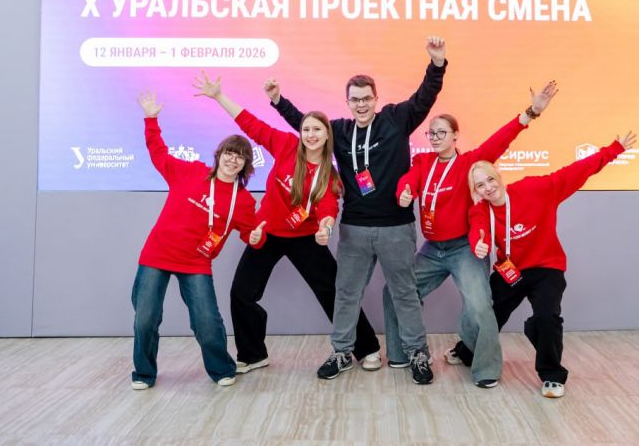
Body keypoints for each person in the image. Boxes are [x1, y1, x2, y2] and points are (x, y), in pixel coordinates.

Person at [267, 37, 447, 384]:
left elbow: (425, 96)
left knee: (405, 293)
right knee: (346, 294)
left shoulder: (396, 118)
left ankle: (417, 354)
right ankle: (341, 352)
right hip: (354, 228)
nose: (361, 104)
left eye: (367, 98)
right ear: (347, 102)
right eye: (355, 99)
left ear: (376, 99)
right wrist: (278, 101)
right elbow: (305, 124)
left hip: (395, 227)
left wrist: (437, 64)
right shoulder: (339, 130)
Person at [193, 73, 382, 375]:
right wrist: (219, 97)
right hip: (268, 232)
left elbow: (328, 206)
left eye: (317, 129)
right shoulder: (285, 145)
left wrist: (326, 227)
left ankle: (367, 347)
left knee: (333, 292)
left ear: (327, 135)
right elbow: (252, 125)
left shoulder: (329, 173)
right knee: (242, 293)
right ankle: (253, 355)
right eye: (306, 129)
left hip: (305, 237)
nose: (310, 134)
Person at [383, 81, 558, 388]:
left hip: (464, 248)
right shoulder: (423, 161)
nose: (435, 138)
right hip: (432, 249)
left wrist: (531, 113)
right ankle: (401, 353)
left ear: (455, 136)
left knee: (479, 305)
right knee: (394, 290)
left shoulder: (469, 164)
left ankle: (486, 368)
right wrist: (405, 191)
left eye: (441, 132)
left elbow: (500, 141)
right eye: (431, 133)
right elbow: (409, 179)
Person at [454, 131, 637, 398]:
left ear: (499, 176)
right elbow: (478, 229)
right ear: (476, 192)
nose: (488, 188)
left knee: (547, 317)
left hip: (546, 267)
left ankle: (552, 375)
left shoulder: (534, 189)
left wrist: (613, 150)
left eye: (490, 180)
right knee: (486, 310)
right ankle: (467, 350)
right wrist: (478, 243)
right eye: (480, 186)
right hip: (511, 270)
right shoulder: (481, 209)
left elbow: (575, 172)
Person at [131, 91, 263, 390]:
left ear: (245, 165)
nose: (232, 159)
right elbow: (159, 153)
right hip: (157, 255)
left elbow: (251, 235)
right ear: (219, 155)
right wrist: (151, 119)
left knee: (206, 321)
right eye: (229, 152)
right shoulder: (190, 172)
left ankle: (222, 369)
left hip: (195, 263)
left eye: (239, 156)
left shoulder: (243, 201)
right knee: (145, 319)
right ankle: (144, 373)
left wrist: (256, 236)